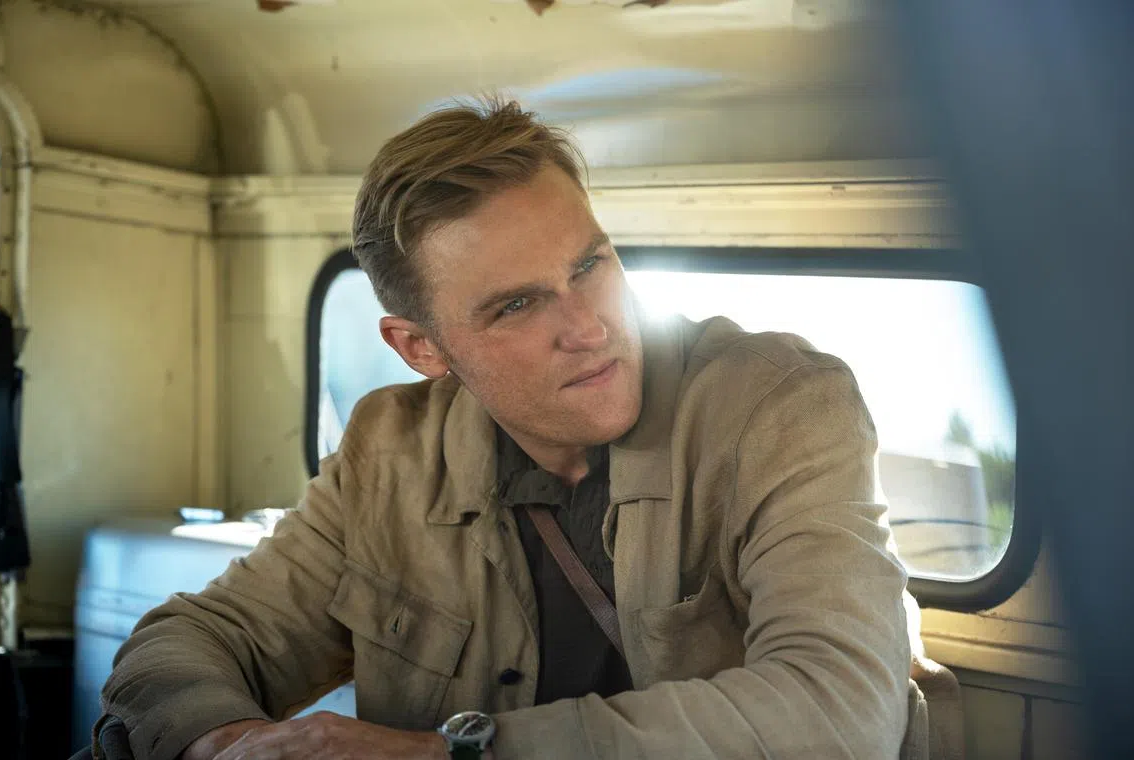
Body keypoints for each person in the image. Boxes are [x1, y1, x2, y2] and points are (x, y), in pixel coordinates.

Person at [91, 98, 954, 760]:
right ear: (421, 347)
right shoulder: (388, 455)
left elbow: (839, 713)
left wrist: (451, 754)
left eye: (590, 264)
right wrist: (232, 744)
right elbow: (188, 643)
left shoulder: (779, 408)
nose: (589, 326)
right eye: (516, 305)